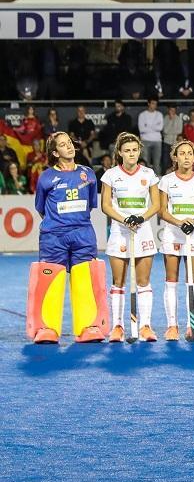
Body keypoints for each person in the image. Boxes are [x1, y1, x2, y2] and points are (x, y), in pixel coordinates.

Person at [29, 132, 107, 344]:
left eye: (70, 143)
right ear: (55, 153)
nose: (69, 147)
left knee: (84, 278)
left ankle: (88, 327)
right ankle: (47, 328)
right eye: (63, 145)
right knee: (51, 279)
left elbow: (91, 204)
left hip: (83, 234)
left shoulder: (88, 174)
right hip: (54, 236)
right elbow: (41, 208)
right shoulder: (46, 177)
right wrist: (58, 224)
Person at [100, 133, 160, 342]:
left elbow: (156, 204)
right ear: (120, 153)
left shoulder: (149, 173)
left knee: (143, 282)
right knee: (119, 282)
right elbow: (105, 205)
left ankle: (145, 326)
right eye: (127, 150)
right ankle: (117, 326)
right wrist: (125, 220)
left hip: (143, 231)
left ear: (139, 151)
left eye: (135, 150)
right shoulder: (110, 175)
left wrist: (141, 218)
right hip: (119, 232)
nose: (131, 153)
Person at [158, 139, 194, 341]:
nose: (186, 157)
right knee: (171, 281)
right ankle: (172, 326)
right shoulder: (166, 180)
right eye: (182, 153)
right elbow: (162, 211)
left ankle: (192, 326)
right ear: (175, 157)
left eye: (190, 153)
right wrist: (179, 222)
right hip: (172, 235)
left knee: (192, 282)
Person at [138, 98, 164, 174]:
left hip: (157, 141)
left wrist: (148, 126)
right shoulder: (142, 115)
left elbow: (160, 128)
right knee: (145, 163)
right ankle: (145, 180)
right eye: (153, 103)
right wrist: (154, 127)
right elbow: (141, 129)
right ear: (148, 103)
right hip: (145, 140)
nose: (154, 105)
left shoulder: (159, 114)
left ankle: (157, 181)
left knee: (157, 163)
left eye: (155, 104)